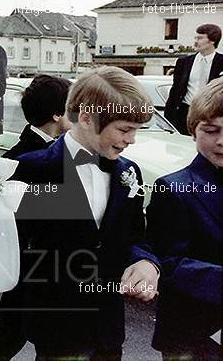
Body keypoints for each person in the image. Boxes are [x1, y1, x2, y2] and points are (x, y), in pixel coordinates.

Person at [10, 66, 160, 359]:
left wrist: (146, 262)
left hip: (109, 325)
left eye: (135, 131)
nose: (132, 140)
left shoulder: (128, 172)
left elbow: (134, 235)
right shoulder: (30, 168)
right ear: (87, 118)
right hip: (56, 324)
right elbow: (12, 244)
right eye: (124, 129)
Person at [0, 74, 72, 360]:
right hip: (27, 257)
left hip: (36, 261)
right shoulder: (26, 158)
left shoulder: (46, 151)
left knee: (13, 330)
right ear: (58, 114)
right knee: (18, 330)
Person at [147, 77, 222, 360]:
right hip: (191, 332)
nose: (221, 141)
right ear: (193, 130)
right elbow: (168, 261)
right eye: (211, 130)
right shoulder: (174, 187)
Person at [165, 23, 223, 135]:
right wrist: (168, 118)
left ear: (212, 41)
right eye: (195, 37)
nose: (196, 41)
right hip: (183, 114)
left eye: (200, 38)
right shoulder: (183, 62)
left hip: (211, 115)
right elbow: (175, 91)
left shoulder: (221, 62)